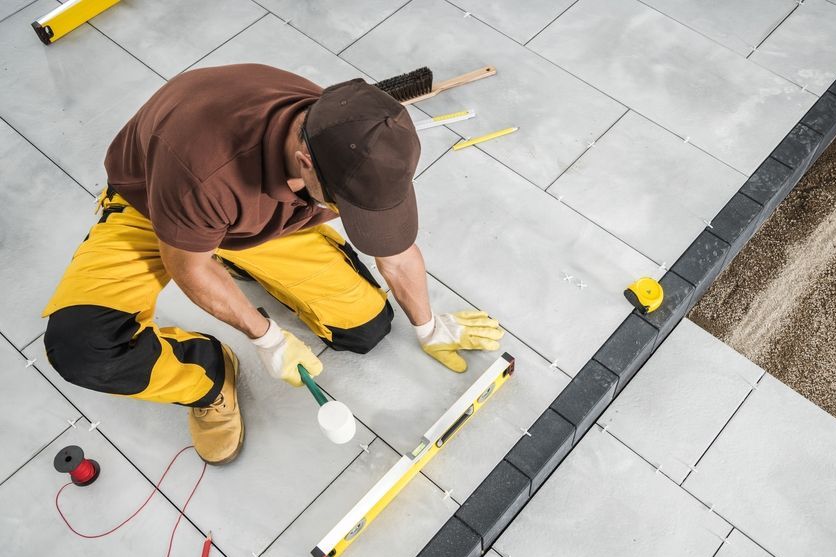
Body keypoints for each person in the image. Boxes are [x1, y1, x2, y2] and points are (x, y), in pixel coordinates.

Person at [42, 63, 503, 465]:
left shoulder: (350, 136)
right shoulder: (201, 172)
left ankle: (241, 258)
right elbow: (190, 269)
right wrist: (268, 339)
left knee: (364, 329)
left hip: (257, 220)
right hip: (159, 210)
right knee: (84, 348)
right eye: (348, 208)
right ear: (304, 163)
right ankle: (206, 375)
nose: (353, 216)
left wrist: (428, 327)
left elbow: (396, 254)